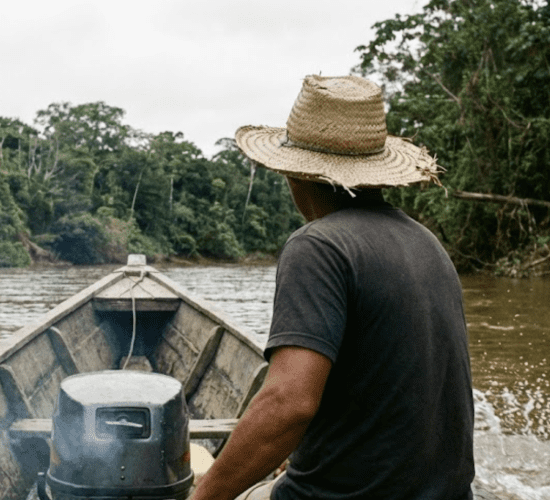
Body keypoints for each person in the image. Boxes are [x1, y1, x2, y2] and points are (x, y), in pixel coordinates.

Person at [189, 75, 474, 500]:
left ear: (294, 176)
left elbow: (290, 403)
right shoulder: (427, 243)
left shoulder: (318, 245)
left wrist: (202, 497)